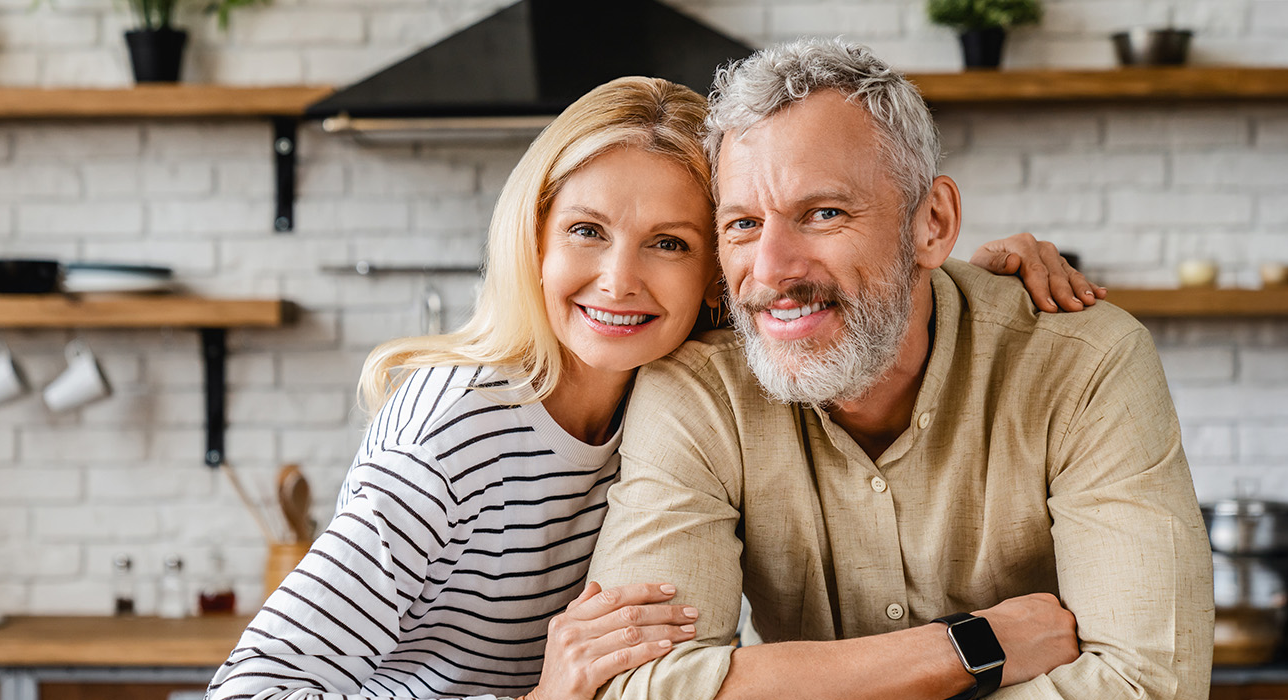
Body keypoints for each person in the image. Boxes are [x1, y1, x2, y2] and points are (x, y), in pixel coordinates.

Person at [207, 76, 1103, 700]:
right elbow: (251, 688)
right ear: (535, 237)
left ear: (715, 270)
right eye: (588, 230)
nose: (620, 280)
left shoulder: (677, 387)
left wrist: (973, 277)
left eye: (670, 243)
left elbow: (824, 291)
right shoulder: (453, 430)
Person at [589, 39, 1212, 700]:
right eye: (743, 223)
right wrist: (970, 646)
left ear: (933, 223)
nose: (771, 269)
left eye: (824, 213)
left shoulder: (1082, 364)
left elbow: (1149, 684)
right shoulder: (697, 391)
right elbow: (639, 689)